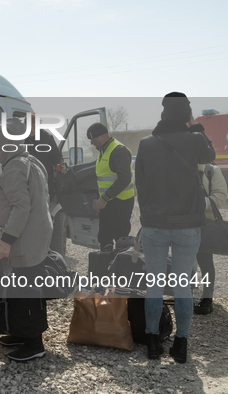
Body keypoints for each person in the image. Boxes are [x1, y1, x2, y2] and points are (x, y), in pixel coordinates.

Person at [135, 92, 216, 363]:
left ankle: (151, 342)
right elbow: (211, 154)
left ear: (162, 114)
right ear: (186, 114)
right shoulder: (194, 140)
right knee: (183, 286)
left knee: (154, 285)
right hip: (187, 224)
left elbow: (141, 186)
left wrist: (148, 214)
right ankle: (180, 345)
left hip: (154, 223)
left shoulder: (146, 143)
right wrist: (195, 127)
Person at [0, 118, 53, 363]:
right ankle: (20, 333)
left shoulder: (14, 166)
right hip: (36, 234)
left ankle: (33, 343)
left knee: (26, 290)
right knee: (25, 286)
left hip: (25, 237)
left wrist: (6, 240)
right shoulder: (30, 160)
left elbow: (21, 207)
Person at [87, 122, 135, 251]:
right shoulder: (104, 151)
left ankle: (121, 268)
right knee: (104, 237)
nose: (91, 143)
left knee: (121, 239)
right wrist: (98, 197)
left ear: (98, 137)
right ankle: (105, 266)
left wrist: (105, 198)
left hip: (121, 202)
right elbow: (102, 179)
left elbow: (124, 178)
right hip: (108, 202)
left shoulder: (118, 150)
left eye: (91, 139)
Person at [194, 162, 227, 315]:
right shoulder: (178, 165)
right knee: (181, 261)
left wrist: (201, 203)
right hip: (180, 224)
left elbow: (220, 195)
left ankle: (207, 298)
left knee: (205, 262)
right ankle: (185, 295)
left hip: (203, 225)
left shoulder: (211, 170)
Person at [23, 114, 62, 199]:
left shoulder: (46, 138)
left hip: (43, 181)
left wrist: (60, 166)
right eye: (30, 127)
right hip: (25, 181)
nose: (32, 130)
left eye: (34, 127)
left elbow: (56, 156)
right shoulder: (21, 139)